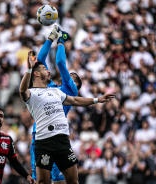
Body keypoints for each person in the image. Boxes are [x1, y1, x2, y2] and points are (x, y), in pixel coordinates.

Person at [19, 50, 115, 184]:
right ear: (36, 73)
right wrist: (28, 69)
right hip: (44, 142)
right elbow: (22, 91)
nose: (48, 71)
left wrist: (97, 99)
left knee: (73, 181)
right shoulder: (32, 93)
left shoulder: (55, 91)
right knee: (43, 182)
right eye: (44, 69)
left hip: (63, 141)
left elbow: (75, 101)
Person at [31, 26, 82, 184]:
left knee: (60, 182)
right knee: (40, 181)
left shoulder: (71, 90)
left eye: (73, 76)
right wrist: (50, 39)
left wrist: (61, 41)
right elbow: (39, 62)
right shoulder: (52, 87)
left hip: (56, 138)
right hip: (39, 136)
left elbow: (60, 61)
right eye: (70, 74)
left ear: (76, 85)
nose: (69, 75)